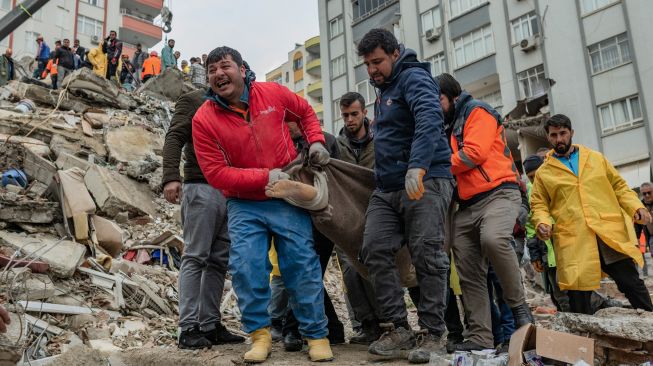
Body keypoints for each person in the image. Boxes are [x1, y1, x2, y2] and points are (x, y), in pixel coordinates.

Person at [192, 46, 334, 363]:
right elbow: (216, 174)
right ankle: (260, 335)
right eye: (212, 69)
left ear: (243, 70)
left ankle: (316, 335)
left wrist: (316, 141)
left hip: (286, 196)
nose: (218, 73)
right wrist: (262, 176)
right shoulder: (204, 118)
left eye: (224, 66)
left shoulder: (272, 93)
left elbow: (306, 113)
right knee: (246, 267)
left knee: (301, 265)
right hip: (245, 204)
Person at [356, 29, 454, 363]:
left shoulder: (413, 78)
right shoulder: (382, 91)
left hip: (425, 179)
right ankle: (398, 328)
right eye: (367, 64)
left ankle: (433, 333)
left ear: (396, 53)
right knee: (373, 248)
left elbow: (430, 118)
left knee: (427, 253)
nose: (372, 70)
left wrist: (418, 166)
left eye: (378, 61)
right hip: (388, 188)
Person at [436, 73, 533, 352]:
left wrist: (431, 166)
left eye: (438, 99)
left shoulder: (477, 111)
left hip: (499, 193)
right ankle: (480, 337)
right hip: (465, 205)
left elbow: (473, 154)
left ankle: (520, 310)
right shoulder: (443, 124)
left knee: (494, 239)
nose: (434, 105)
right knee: (467, 268)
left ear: (453, 97)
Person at [530, 114, 653, 315]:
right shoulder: (544, 172)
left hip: (607, 232)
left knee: (630, 282)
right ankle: (585, 342)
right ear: (548, 137)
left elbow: (619, 186)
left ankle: (649, 324)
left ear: (571, 133)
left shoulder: (595, 158)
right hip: (575, 238)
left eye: (563, 133)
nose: (559, 139)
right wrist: (542, 222)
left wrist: (635, 207)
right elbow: (539, 205)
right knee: (578, 294)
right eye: (554, 135)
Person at [162, 81, 244, 349]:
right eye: (214, 68)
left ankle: (209, 324)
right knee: (196, 256)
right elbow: (174, 136)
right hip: (200, 186)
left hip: (229, 191)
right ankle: (187, 328)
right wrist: (171, 177)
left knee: (218, 260)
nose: (220, 74)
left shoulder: (237, 104)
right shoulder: (193, 100)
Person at [279, 120, 346, 352]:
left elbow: (339, 177)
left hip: (323, 218)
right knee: (306, 273)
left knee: (307, 273)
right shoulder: (282, 143)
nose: (288, 127)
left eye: (291, 122)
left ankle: (293, 329)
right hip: (295, 217)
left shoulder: (326, 141)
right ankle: (331, 328)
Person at [335, 92, 381, 345]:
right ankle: (367, 325)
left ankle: (388, 322)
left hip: (378, 213)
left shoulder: (381, 139)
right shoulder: (337, 145)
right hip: (347, 217)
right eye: (345, 115)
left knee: (375, 267)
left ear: (365, 112)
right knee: (351, 271)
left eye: (354, 114)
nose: (350, 120)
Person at [635, 182, 653, 275]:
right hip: (651, 237)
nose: (647, 195)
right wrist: (637, 238)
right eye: (644, 193)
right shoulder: (640, 206)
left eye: (649, 192)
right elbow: (638, 224)